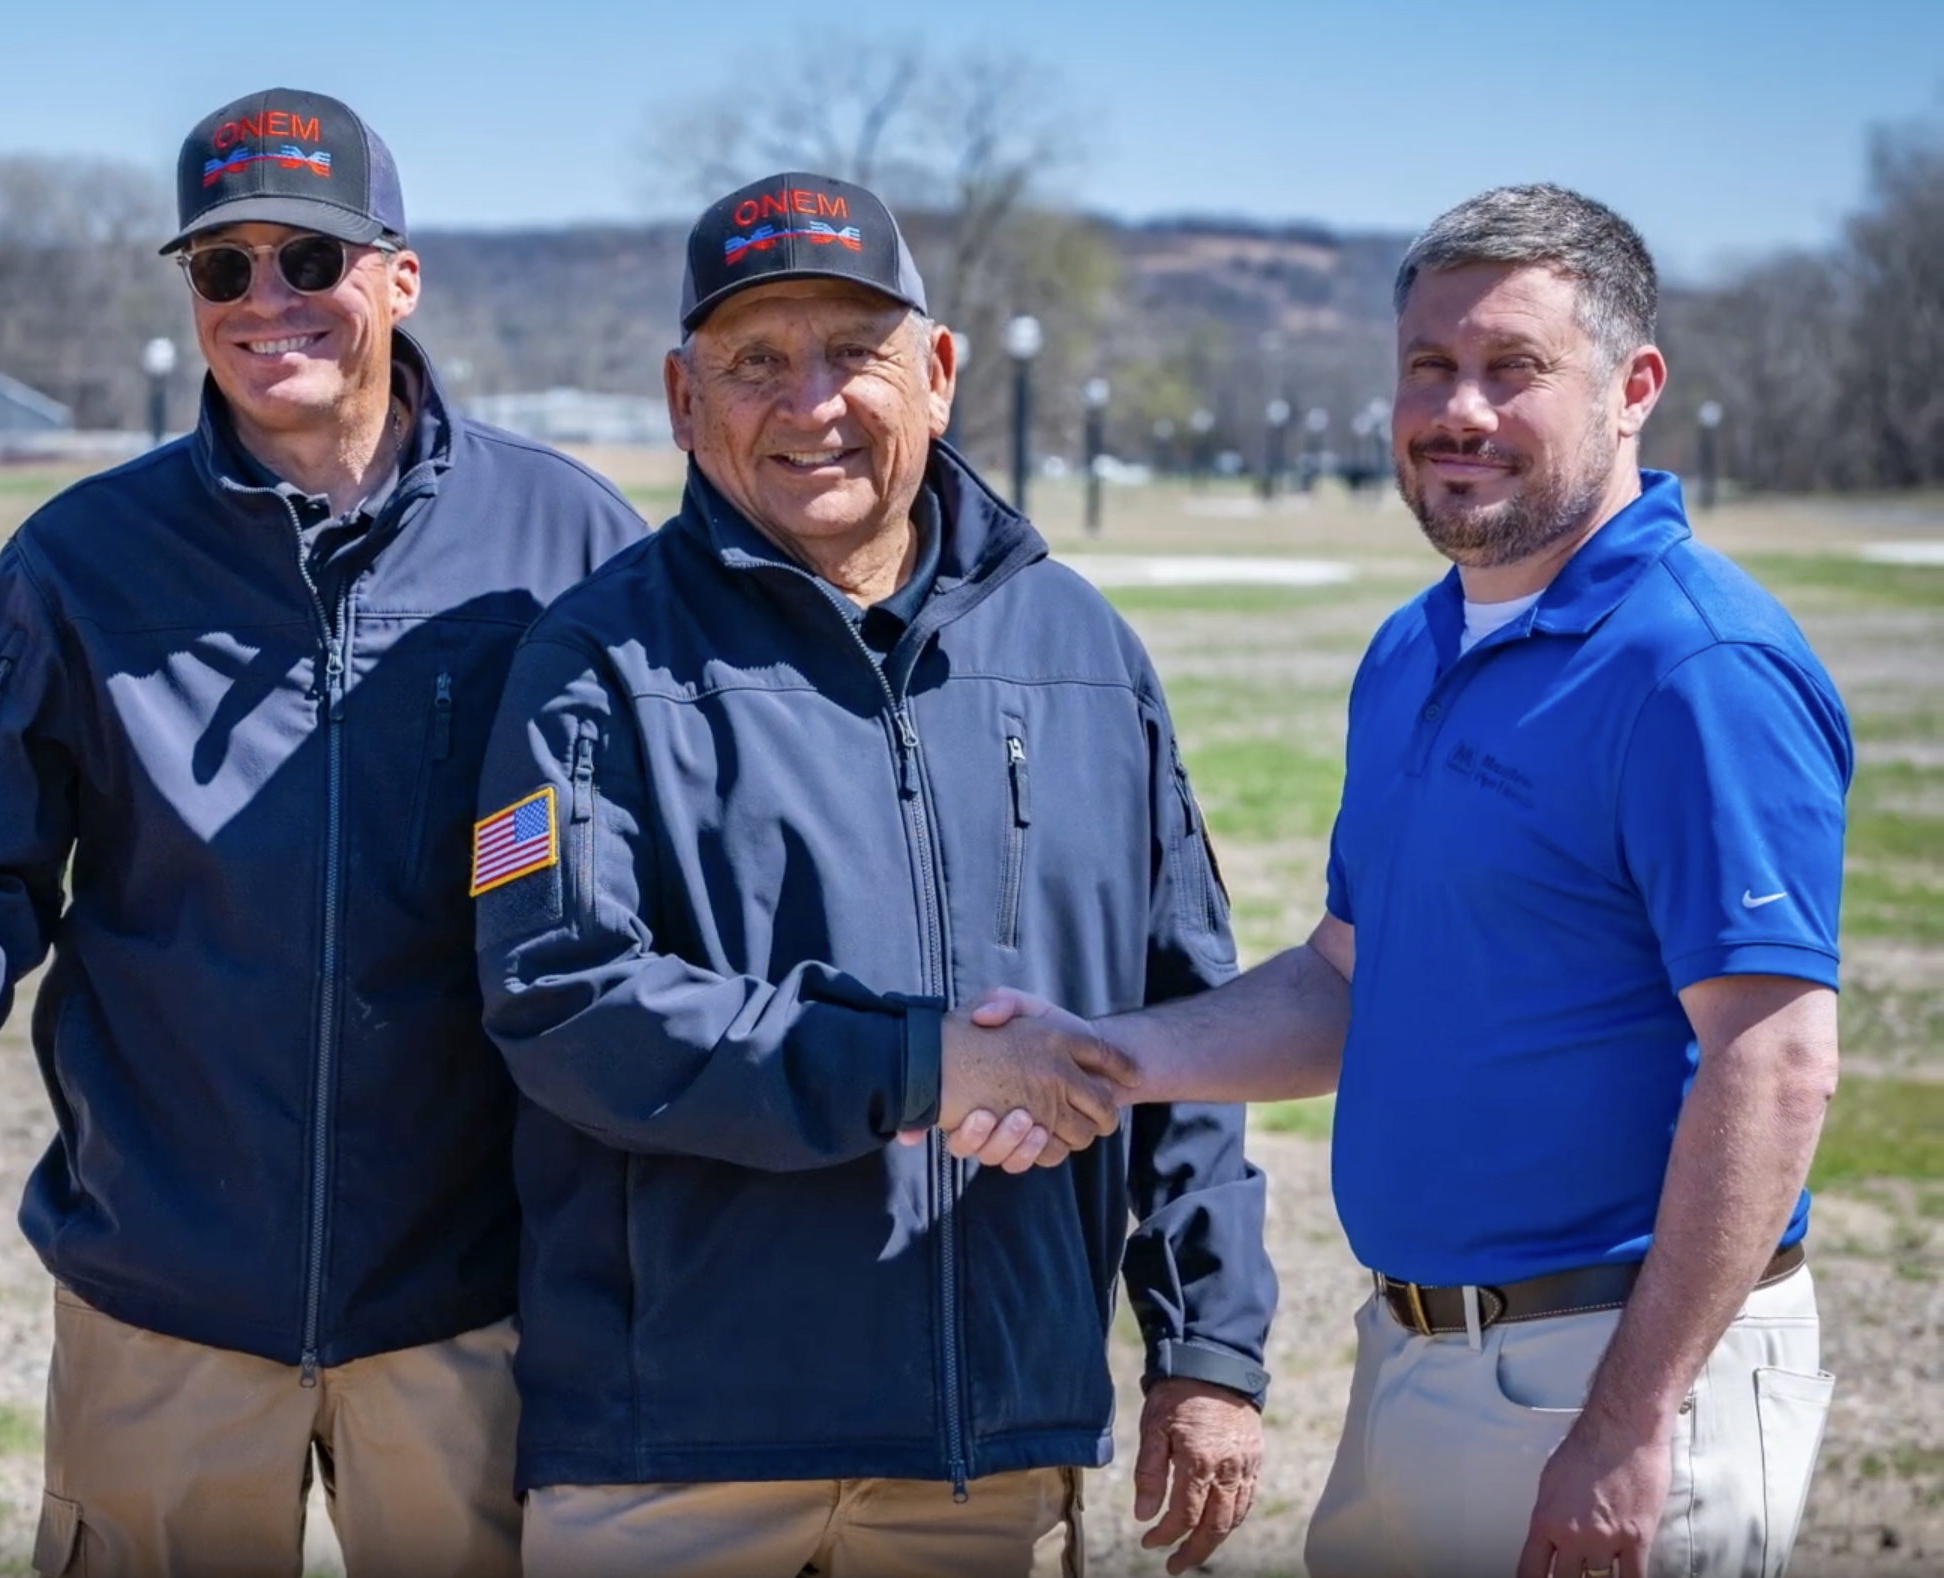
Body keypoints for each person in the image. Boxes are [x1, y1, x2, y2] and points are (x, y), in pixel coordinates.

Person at [959, 184, 1848, 1578]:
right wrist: (1103, 1055)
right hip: (1418, 1357)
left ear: (1635, 390)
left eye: (1514, 367)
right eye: (1430, 366)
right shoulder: (1416, 647)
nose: (1460, 409)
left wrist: (1627, 1416)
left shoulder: (1695, 666)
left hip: (1617, 1374)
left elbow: (1777, 1061)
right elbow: (1342, 982)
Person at [0, 87, 646, 1578]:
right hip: (161, 1302)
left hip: (473, 1297)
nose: (267, 299)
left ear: (398, 278)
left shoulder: (574, 541)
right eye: (225, 268)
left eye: (311, 258)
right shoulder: (77, 559)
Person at [472, 170, 1273, 1578]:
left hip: (984, 1456)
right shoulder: (596, 661)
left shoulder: (1081, 652)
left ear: (941, 372)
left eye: (855, 352)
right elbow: (564, 1000)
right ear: (680, 399)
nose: (811, 400)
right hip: (678, 1454)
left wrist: (1206, 1345)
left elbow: (1183, 1017)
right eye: (756, 362)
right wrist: (917, 1065)